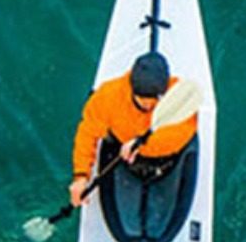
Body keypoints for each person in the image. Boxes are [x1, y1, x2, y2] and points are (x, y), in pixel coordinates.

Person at [68, 51, 197, 208]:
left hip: (164, 159)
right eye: (141, 99)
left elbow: (181, 134)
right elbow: (87, 133)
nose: (147, 105)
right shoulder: (109, 95)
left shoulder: (179, 98)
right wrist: (81, 175)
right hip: (125, 154)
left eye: (154, 99)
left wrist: (140, 143)